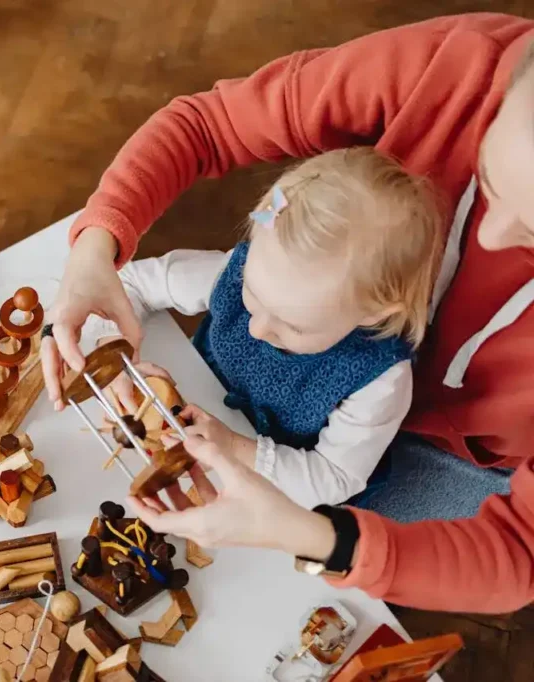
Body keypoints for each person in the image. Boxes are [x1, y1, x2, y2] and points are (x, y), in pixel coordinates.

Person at [42, 13, 534, 613]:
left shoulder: (376, 382)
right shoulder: (457, 66)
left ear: (375, 311)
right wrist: (97, 256)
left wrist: (298, 523)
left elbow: (511, 551)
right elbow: (206, 126)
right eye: (488, 178)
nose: (494, 235)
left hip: (384, 457)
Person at [85, 147, 443, 510]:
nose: (256, 330)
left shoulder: (379, 379)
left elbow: (333, 478)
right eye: (252, 296)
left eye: (294, 327)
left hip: (279, 481)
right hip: (197, 409)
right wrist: (117, 349)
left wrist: (233, 448)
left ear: (372, 312)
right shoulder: (241, 270)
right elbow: (130, 284)